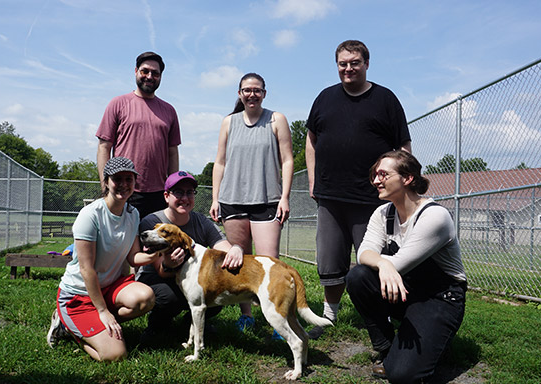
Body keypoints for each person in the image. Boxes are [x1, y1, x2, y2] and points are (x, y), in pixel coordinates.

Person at [305, 40, 411, 339]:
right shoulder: (325, 98)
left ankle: (383, 317)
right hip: (330, 196)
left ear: (366, 63)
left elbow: (403, 146)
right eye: (342, 63)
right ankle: (329, 317)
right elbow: (311, 140)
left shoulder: (385, 99)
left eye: (354, 62)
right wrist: (313, 179)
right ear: (336, 65)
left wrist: (399, 184)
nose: (348, 68)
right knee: (329, 260)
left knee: (374, 261)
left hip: (371, 199)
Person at [346, 150, 467, 384]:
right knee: (358, 276)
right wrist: (382, 264)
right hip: (405, 289)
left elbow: (400, 263)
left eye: (383, 174)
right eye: (374, 175)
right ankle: (387, 347)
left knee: (404, 376)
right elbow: (363, 253)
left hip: (440, 298)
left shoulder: (435, 216)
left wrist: (386, 263)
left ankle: (430, 342)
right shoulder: (383, 213)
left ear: (407, 179)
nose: (376, 180)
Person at [46, 157, 158, 361]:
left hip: (109, 286)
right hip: (79, 294)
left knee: (145, 298)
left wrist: (158, 254)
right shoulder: (90, 215)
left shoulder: (133, 214)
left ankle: (98, 327)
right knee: (115, 355)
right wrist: (103, 311)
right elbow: (86, 270)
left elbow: (133, 257)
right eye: (118, 179)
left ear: (135, 182)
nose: (124, 184)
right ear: (106, 182)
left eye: (129, 179)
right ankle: (67, 327)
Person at [210, 72, 294, 331]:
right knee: (240, 263)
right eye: (247, 90)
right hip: (232, 201)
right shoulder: (229, 122)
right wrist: (215, 199)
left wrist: (285, 197)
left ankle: (280, 321)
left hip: (267, 200)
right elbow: (220, 162)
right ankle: (246, 315)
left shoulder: (276, 119)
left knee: (270, 266)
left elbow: (287, 159)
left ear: (264, 93)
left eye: (257, 90)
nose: (252, 94)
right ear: (239, 93)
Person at [136, 171, 244, 340]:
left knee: (217, 289)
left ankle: (191, 322)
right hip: (156, 279)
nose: (185, 198)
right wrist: (169, 264)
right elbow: (161, 271)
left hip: (189, 278)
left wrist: (236, 249)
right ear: (166, 196)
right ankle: (157, 325)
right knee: (169, 297)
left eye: (189, 192)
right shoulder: (152, 223)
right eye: (178, 192)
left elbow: (224, 248)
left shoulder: (201, 221)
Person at [96, 51, 181, 218]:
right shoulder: (118, 104)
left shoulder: (169, 111)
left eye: (155, 73)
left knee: (155, 243)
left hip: (159, 193)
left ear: (161, 77)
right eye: (145, 71)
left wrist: (171, 188)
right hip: (124, 190)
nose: (149, 76)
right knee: (122, 243)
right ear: (136, 71)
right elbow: (104, 147)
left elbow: (173, 153)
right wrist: (106, 186)